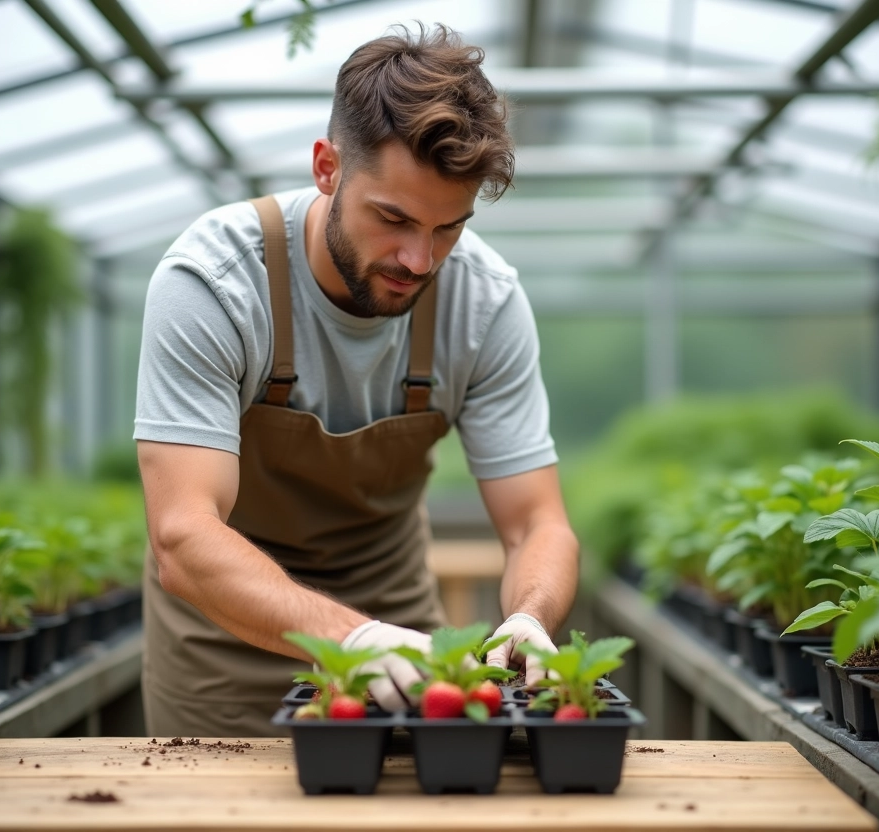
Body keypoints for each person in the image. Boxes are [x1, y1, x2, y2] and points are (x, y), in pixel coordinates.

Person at [134, 23, 579, 736]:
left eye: (448, 227)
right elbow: (184, 536)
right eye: (393, 218)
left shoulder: (483, 302)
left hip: (404, 637)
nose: (420, 260)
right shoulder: (216, 283)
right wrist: (354, 638)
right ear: (327, 168)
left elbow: (536, 522)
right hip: (225, 654)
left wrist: (530, 615)